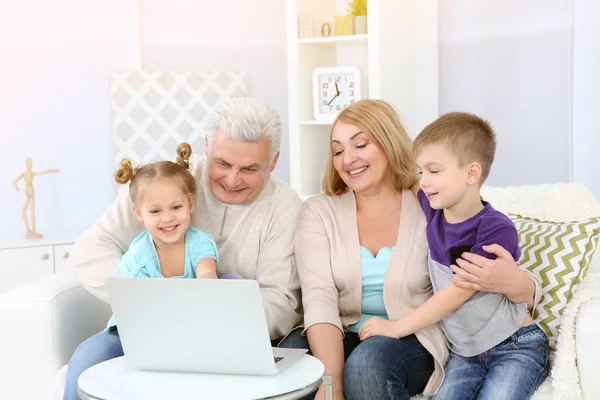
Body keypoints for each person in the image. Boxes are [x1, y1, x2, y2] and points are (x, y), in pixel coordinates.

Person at [285, 100, 542, 400]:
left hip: (409, 335)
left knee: (368, 363)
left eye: (360, 145)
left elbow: (478, 252)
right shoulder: (318, 211)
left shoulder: (430, 204)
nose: (347, 159)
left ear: (388, 143)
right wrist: (330, 384)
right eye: (338, 150)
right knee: (289, 363)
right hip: (339, 331)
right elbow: (318, 298)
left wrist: (525, 285)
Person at [65, 98, 303, 396]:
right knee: (89, 359)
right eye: (222, 163)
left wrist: (206, 322)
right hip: (147, 330)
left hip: (230, 340)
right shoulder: (166, 184)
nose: (231, 179)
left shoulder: (285, 207)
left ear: (273, 161)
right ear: (207, 145)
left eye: (249, 169)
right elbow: (90, 250)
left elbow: (280, 301)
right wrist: (145, 297)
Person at [359, 112, 550, 399]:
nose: (423, 181)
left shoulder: (496, 229)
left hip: (515, 346)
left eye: (434, 171)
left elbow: (457, 293)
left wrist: (397, 327)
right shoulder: (432, 207)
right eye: (421, 171)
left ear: (471, 174)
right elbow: (402, 173)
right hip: (465, 354)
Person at [64, 143, 245, 400]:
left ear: (191, 204)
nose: (167, 218)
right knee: (87, 354)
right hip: (138, 331)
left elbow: (207, 279)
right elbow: (133, 309)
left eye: (175, 207)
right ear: (139, 213)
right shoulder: (138, 257)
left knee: (232, 281)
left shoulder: (199, 243)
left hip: (192, 324)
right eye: (155, 211)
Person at [12, 157, 59, 238]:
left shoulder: (32, 173)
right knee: (23, 212)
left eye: (30, 164)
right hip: (27, 194)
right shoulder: (23, 174)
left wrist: (53, 171)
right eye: (28, 164)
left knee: (32, 213)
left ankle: (33, 231)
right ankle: (28, 230)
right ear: (26, 164)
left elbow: (44, 172)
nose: (29, 165)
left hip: (31, 193)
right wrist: (16, 187)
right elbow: (14, 181)